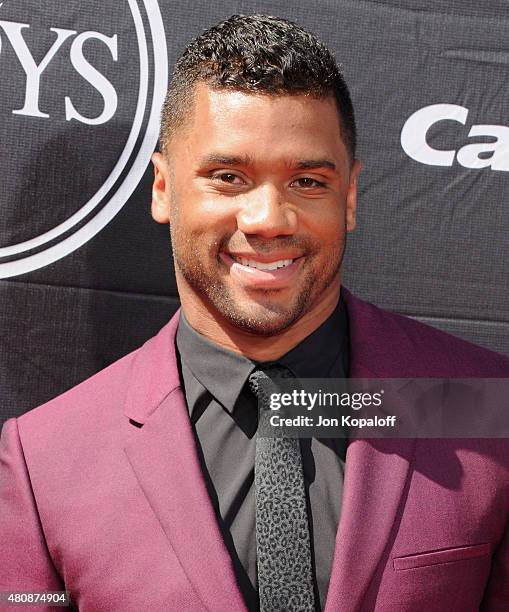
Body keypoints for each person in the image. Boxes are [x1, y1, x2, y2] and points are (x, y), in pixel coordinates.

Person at [1, 13, 508, 612]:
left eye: (308, 182)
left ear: (348, 197)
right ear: (163, 188)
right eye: (228, 176)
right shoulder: (47, 459)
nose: (268, 219)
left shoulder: (484, 406)